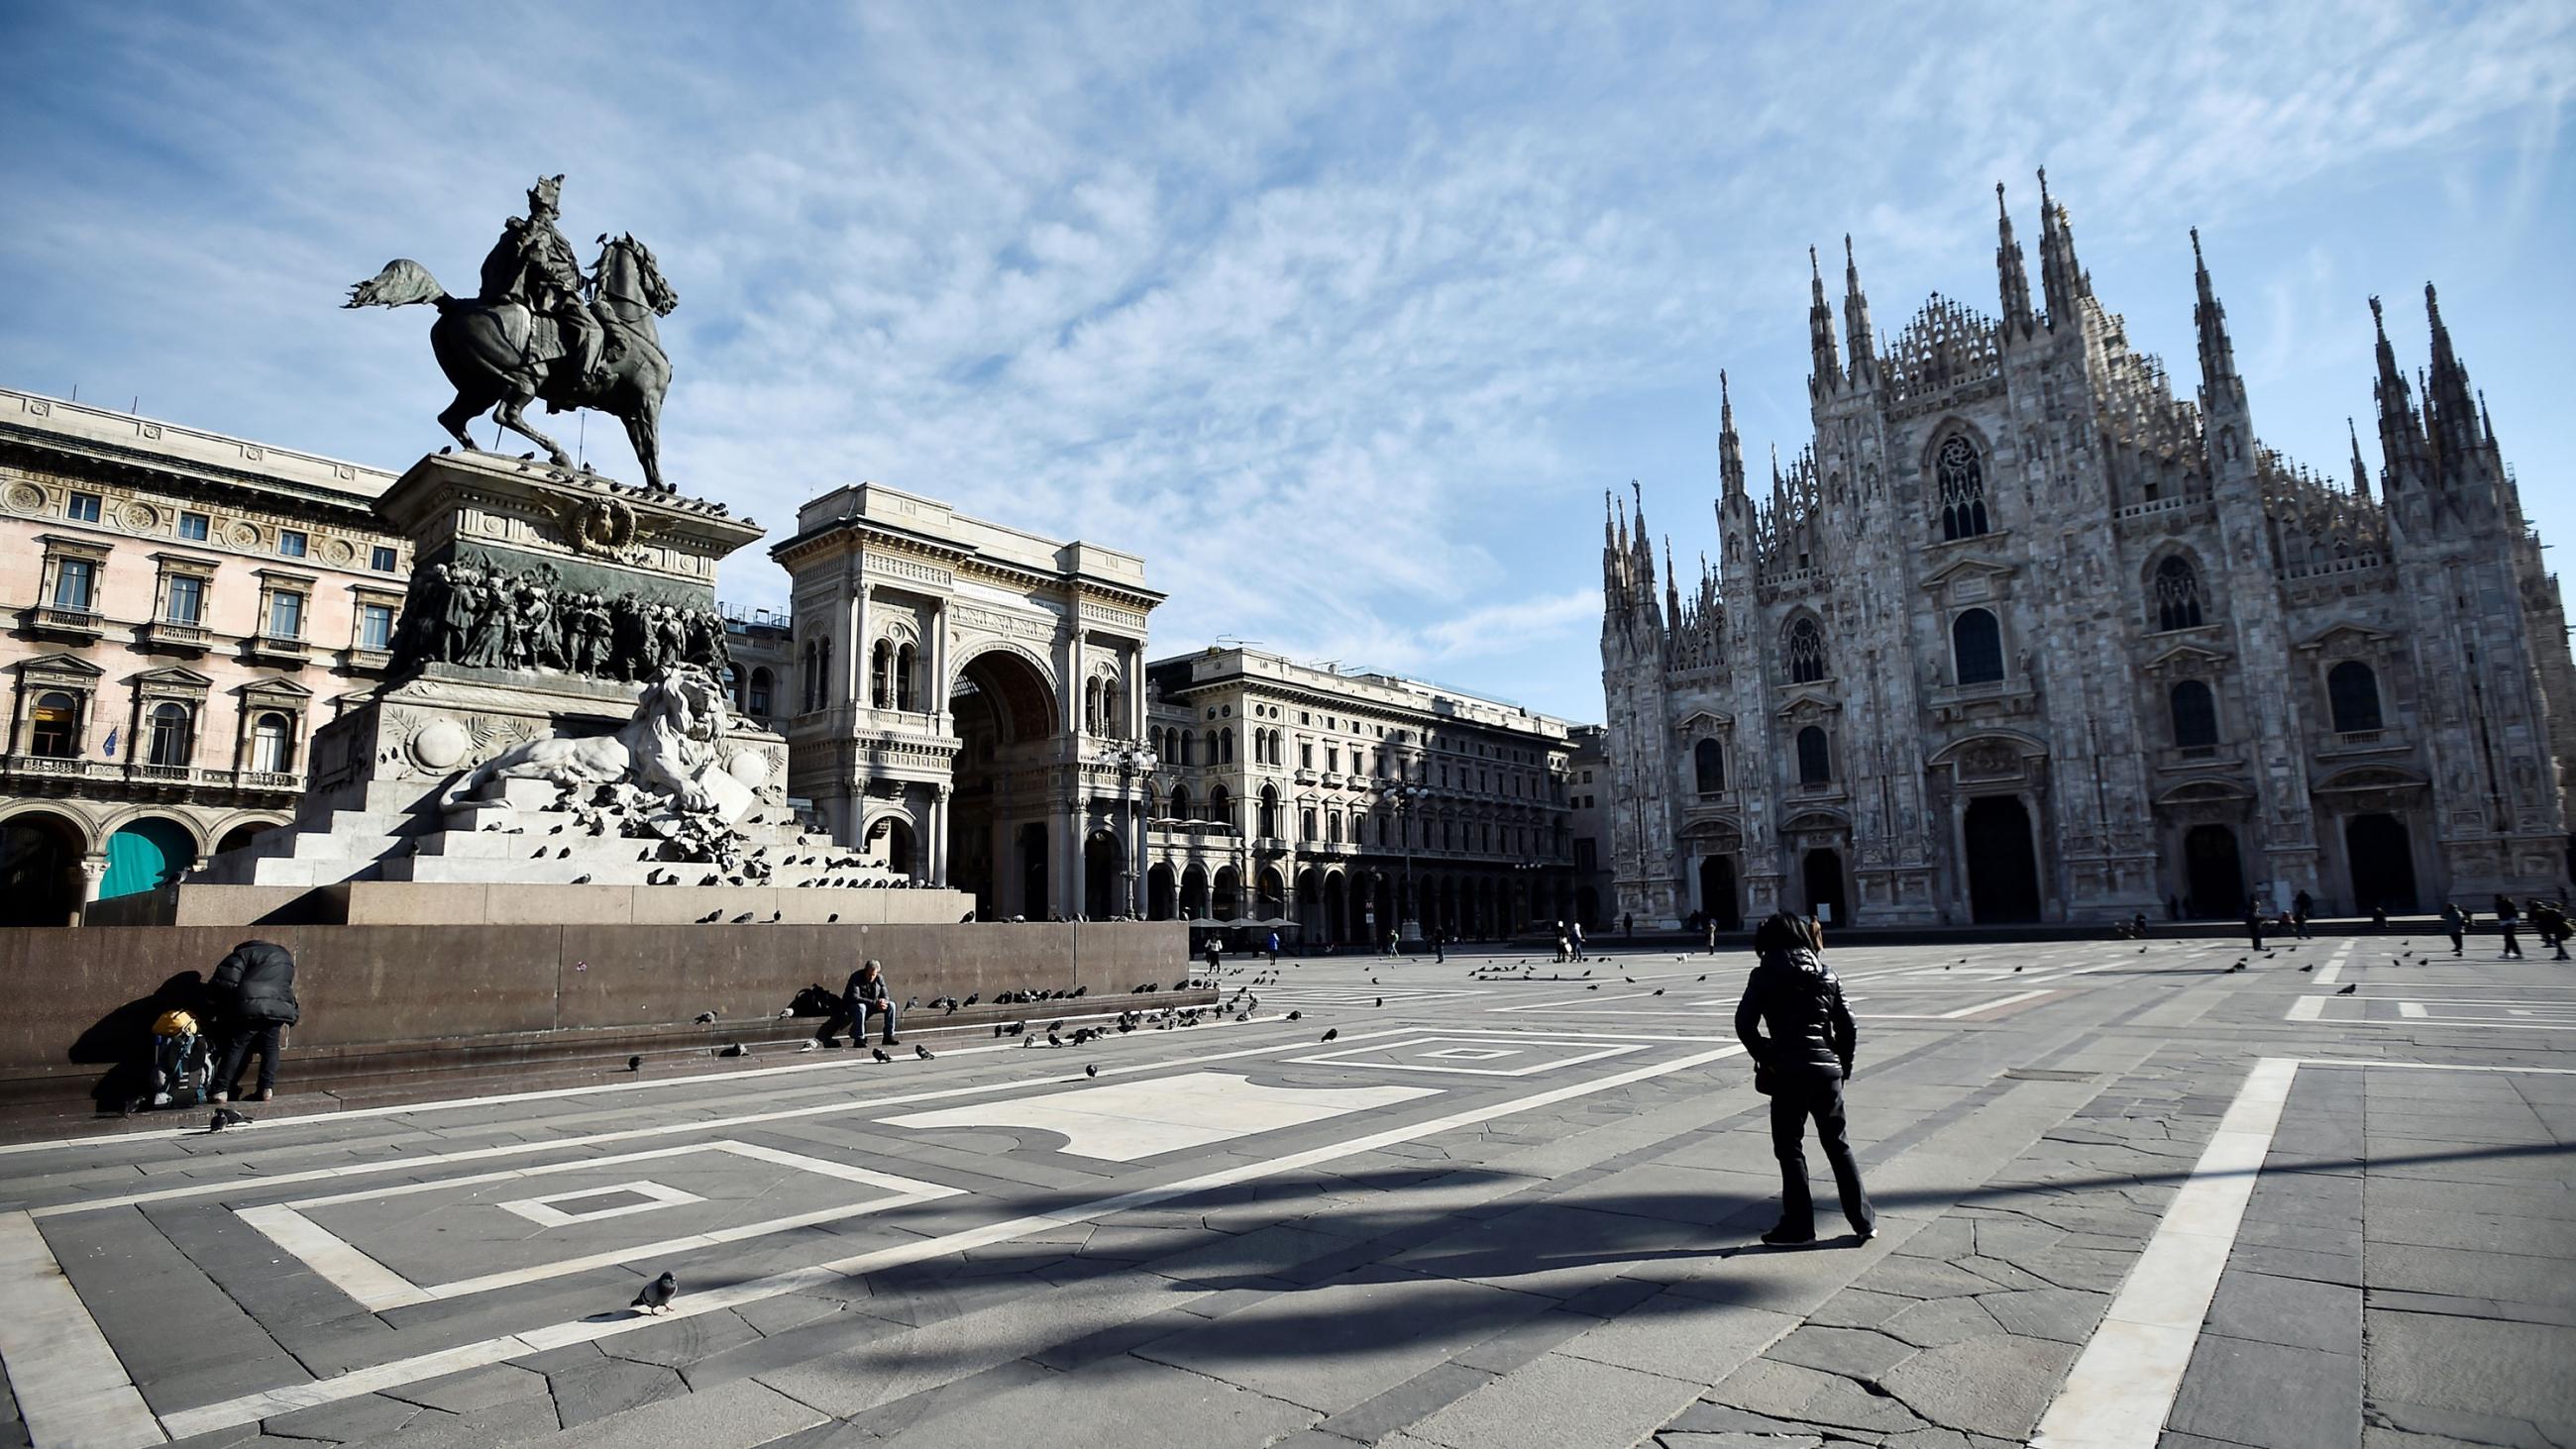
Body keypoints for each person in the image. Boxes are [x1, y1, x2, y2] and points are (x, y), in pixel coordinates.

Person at [1734, 911, 1875, 1246]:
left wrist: (1767, 1057)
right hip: (1827, 1072)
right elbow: (1849, 1026)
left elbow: (1744, 1024)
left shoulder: (1764, 974)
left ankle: (1798, 1227)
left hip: (1787, 1073)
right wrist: (1843, 1065)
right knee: (1838, 1145)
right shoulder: (1827, 974)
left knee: (1790, 1148)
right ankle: (1863, 1220)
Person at [207, 939, 300, 1104]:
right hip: (278, 1008)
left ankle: (220, 1090)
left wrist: (216, 1003)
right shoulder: (284, 956)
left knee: (236, 1046)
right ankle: (266, 1089)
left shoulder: (243, 953)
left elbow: (226, 981)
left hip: (250, 1006)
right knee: (271, 1048)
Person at [803, 959, 898, 1051]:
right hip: (852, 1006)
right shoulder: (856, 977)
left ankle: (888, 1036)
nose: (871, 977)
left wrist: (883, 1001)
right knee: (861, 1007)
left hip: (872, 1005)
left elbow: (885, 994)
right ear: (865, 970)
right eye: (869, 974)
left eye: (873, 975)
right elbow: (854, 997)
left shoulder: (879, 979)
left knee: (891, 1005)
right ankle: (859, 1038)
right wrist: (874, 1003)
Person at [2496, 895, 2524, 960]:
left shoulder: (2501, 904)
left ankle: (2517, 953)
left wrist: (2502, 920)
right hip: (2512, 921)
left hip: (2507, 922)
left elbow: (2501, 913)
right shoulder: (2510, 904)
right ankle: (2507, 952)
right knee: (2509, 938)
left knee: (2509, 938)